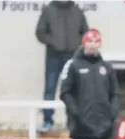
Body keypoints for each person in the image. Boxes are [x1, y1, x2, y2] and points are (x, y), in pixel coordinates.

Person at [60, 28, 119, 139]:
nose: (93, 45)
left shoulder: (106, 68)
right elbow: (65, 93)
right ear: (83, 43)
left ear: (99, 44)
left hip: (102, 126)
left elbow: (115, 93)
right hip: (81, 126)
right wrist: (77, 115)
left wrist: (111, 115)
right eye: (89, 41)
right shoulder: (73, 65)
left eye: (96, 41)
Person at [35, 0, 88, 132]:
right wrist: (53, 42)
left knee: (72, 90)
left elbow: (85, 33)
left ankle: (73, 122)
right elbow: (40, 32)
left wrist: (76, 45)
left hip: (72, 57)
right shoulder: (48, 10)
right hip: (53, 56)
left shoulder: (77, 11)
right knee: (50, 88)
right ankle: (47, 121)